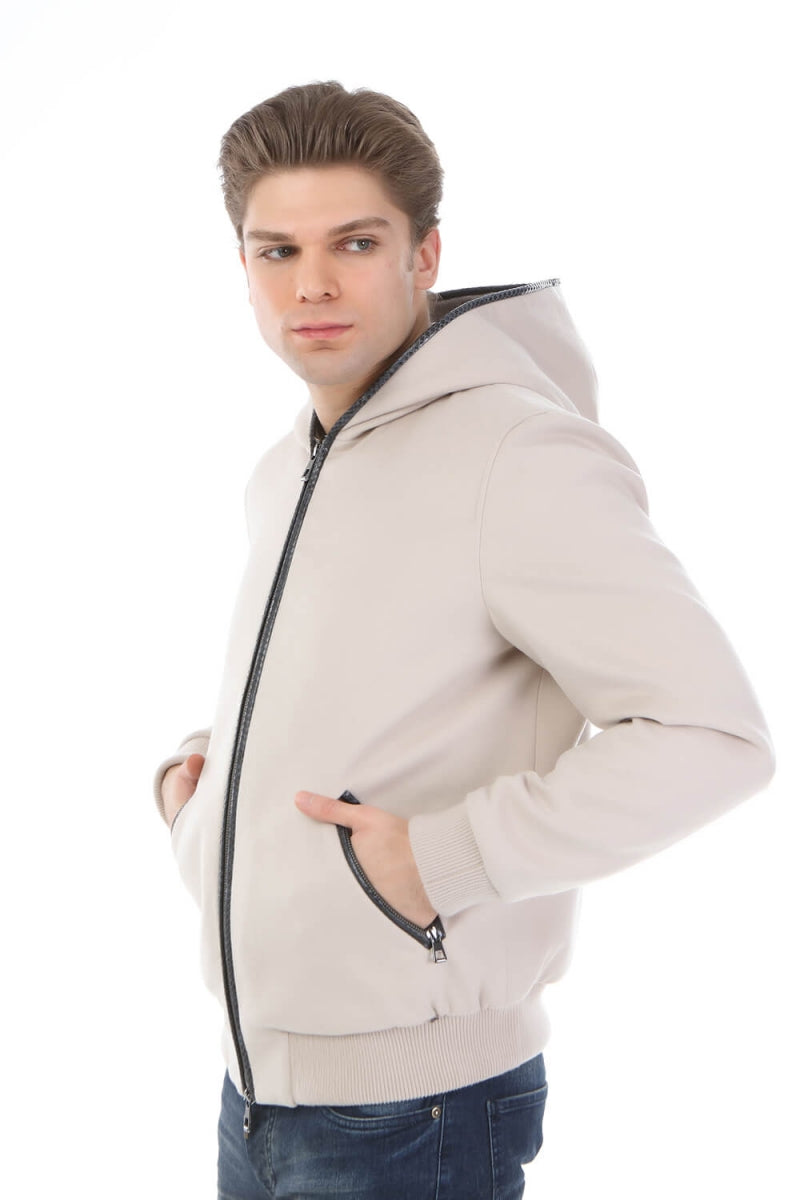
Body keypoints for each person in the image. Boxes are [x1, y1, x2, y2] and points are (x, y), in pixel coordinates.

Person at [153, 81, 776, 1199]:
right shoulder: (288, 462)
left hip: (412, 1118)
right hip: (253, 1095)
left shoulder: (515, 454)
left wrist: (442, 861)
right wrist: (204, 796)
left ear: (424, 254)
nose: (313, 284)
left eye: (353, 241)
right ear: (240, 269)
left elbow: (711, 734)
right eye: (275, 250)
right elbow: (369, 688)